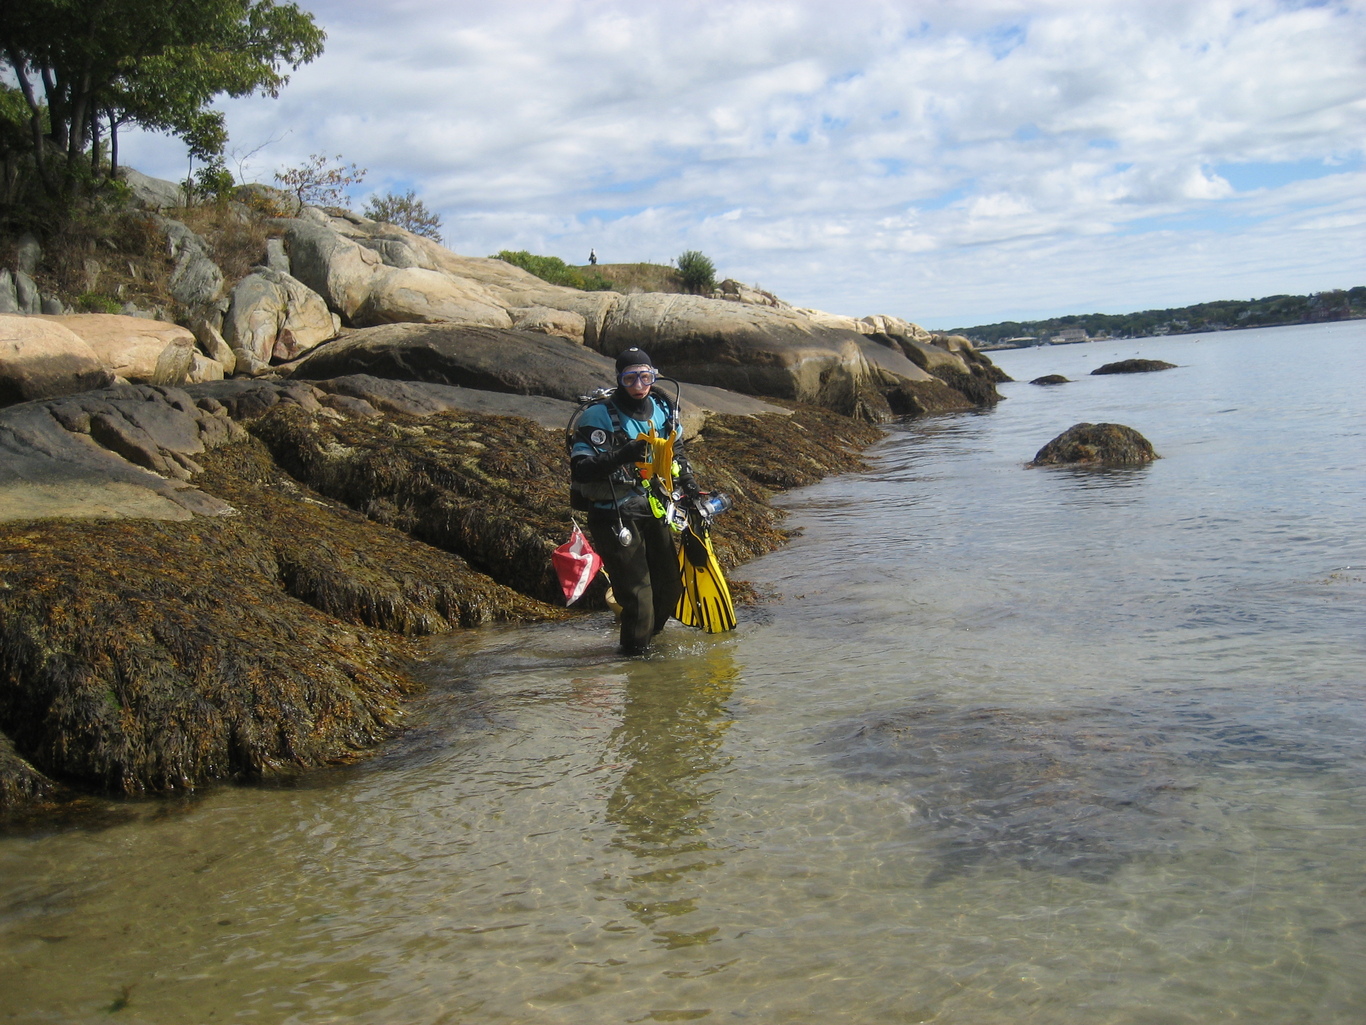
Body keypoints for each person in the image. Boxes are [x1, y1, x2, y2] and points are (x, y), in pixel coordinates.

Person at [569, 348, 700, 654]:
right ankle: (635, 663)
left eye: (645, 377)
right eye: (630, 378)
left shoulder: (662, 408)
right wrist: (623, 454)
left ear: (654, 376)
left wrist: (690, 483)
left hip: (653, 506)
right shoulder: (597, 416)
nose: (639, 385)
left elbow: (676, 451)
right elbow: (581, 469)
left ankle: (644, 648)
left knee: (670, 588)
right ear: (619, 379)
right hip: (613, 513)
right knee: (639, 599)